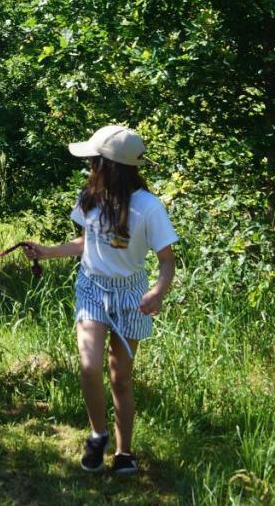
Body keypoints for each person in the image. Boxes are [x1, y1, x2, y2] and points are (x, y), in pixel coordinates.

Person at [23, 125, 177, 474]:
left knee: (120, 377)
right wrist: (47, 252)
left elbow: (167, 260)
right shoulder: (89, 197)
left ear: (108, 165)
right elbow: (84, 243)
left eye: (94, 160)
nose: (90, 165)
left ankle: (124, 452)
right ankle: (98, 434)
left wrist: (157, 291)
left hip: (131, 295)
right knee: (90, 366)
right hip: (91, 288)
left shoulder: (148, 208)